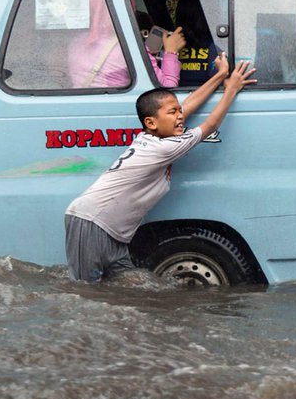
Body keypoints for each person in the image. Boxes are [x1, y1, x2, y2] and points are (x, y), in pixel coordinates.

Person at [64, 54, 255, 282]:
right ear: (151, 123)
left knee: (131, 287)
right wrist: (231, 89)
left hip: (115, 233)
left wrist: (220, 75)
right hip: (92, 221)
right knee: (86, 292)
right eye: (172, 113)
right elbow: (211, 124)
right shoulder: (163, 148)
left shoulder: (152, 137)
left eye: (178, 111)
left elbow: (188, 106)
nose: (179, 117)